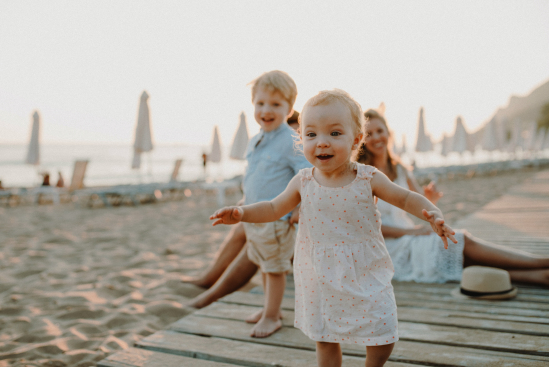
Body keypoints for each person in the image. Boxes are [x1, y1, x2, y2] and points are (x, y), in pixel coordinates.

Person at [210, 89, 457, 367]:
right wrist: (241, 212)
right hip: (319, 272)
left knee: (383, 331)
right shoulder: (303, 181)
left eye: (335, 134)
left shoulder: (367, 177)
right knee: (326, 338)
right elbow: (272, 208)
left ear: (356, 139)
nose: (322, 143)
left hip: (366, 267)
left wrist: (432, 214)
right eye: (312, 135)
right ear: (301, 139)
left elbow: (405, 197)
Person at [358, 108, 549, 286]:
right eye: (369, 133)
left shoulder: (400, 169)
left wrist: (430, 200)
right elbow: (370, 227)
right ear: (361, 140)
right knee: (462, 243)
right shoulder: (364, 176)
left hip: (412, 235)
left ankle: (539, 274)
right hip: (389, 247)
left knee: (461, 253)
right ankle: (541, 263)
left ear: (388, 132)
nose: (376, 137)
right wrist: (413, 232)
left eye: (379, 130)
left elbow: (418, 205)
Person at [212, 70, 312, 338]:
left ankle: (271, 317)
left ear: (289, 108)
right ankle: (272, 308)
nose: (266, 110)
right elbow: (256, 175)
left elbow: (306, 174)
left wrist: (300, 206)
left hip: (278, 219)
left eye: (276, 105)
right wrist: (245, 201)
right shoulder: (256, 139)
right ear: (253, 103)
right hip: (254, 218)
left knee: (275, 268)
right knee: (264, 265)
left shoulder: (291, 141)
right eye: (261, 103)